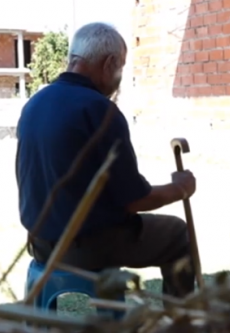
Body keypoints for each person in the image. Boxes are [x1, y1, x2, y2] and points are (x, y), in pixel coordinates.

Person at [16, 22, 198, 298]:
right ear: (110, 62)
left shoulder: (35, 103)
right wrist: (180, 188)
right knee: (177, 234)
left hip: (40, 242)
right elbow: (135, 201)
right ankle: (181, 327)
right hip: (84, 248)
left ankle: (75, 317)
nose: (119, 76)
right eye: (121, 67)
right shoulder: (99, 109)